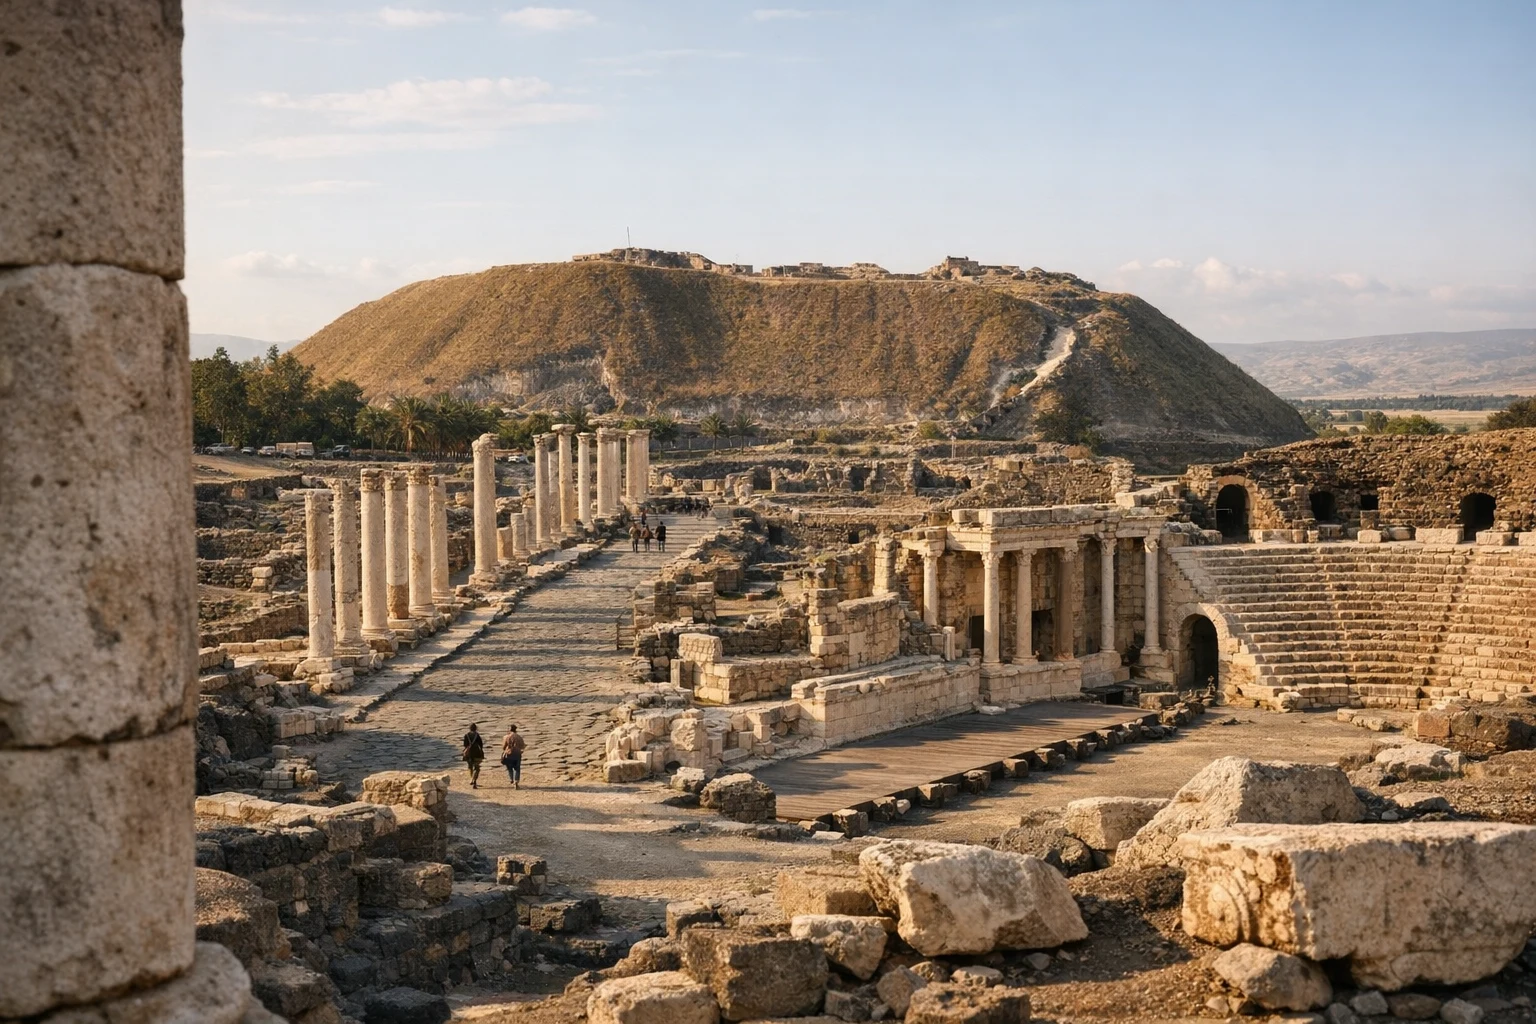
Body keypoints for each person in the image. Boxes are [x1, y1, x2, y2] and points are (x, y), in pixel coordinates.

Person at [501, 724, 526, 789]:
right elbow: (523, 746)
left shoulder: (506, 737)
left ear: (510, 729)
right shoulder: (519, 737)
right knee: (517, 769)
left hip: (508, 754)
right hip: (517, 754)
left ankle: (511, 779)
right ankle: (516, 781)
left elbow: (503, 747)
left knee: (509, 768)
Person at [461, 723, 485, 789]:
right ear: (476, 728)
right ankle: (474, 780)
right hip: (477, 752)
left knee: (470, 766)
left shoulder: (467, 735)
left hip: (469, 753)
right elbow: (481, 744)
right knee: (477, 768)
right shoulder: (477, 735)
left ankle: (471, 778)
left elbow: (465, 744)